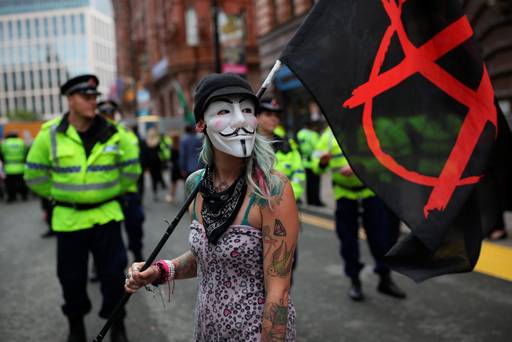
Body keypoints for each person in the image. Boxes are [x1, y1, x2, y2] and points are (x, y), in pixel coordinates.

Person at [125, 73, 298, 341]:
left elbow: (279, 290)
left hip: (255, 333)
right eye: (225, 111)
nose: (240, 120)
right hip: (208, 329)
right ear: (200, 125)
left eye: (248, 110)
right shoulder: (197, 184)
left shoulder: (272, 189)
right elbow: (210, 256)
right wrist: (160, 271)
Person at [24, 74, 141, 342]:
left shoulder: (116, 133)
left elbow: (131, 171)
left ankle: (117, 326)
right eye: (85, 97)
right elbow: (34, 175)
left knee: (113, 278)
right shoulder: (50, 134)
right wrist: (60, 194)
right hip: (69, 218)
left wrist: (106, 192)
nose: (92, 101)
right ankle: (75, 326)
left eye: (94, 96)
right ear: (70, 100)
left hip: (107, 215)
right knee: (71, 279)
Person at [312, 126, 406, 302]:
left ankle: (385, 279)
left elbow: (385, 159)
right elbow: (316, 167)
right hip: (344, 194)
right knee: (348, 241)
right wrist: (323, 162)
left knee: (381, 239)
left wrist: (359, 166)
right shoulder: (328, 136)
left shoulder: (371, 129)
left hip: (370, 192)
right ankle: (355, 282)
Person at [98, 100, 145, 261]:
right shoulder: (93, 136)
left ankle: (138, 257)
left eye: (110, 113)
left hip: (128, 191)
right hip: (105, 194)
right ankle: (99, 267)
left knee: (134, 228)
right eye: (104, 113)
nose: (108, 117)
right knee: (103, 236)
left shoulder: (126, 134)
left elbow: (136, 162)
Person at [256, 98, 305, 202]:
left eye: (277, 116)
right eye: (268, 114)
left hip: (285, 203)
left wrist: (288, 197)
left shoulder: (288, 144)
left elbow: (298, 173)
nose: (274, 119)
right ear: (257, 117)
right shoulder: (247, 145)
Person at [0, 132, 28, 202]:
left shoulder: (4, 143)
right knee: (22, 182)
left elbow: (1, 154)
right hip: (21, 166)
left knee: (9, 184)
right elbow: (26, 153)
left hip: (9, 167)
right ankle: (24, 196)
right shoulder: (21, 142)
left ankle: (12, 197)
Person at [145, 127, 167, 201]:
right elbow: (160, 150)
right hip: (157, 161)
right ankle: (161, 185)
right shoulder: (157, 141)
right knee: (158, 175)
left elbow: (146, 153)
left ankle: (155, 192)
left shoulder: (147, 142)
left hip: (150, 162)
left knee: (153, 178)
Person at [165, 133, 182, 203]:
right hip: (180, 166)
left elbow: (171, 158)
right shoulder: (180, 147)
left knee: (173, 183)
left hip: (174, 167)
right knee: (184, 182)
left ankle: (172, 196)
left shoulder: (172, 148)